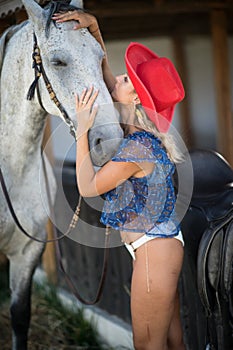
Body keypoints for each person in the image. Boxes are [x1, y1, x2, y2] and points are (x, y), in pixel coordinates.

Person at [53, 10, 186, 350]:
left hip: (154, 249)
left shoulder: (139, 147)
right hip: (158, 246)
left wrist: (82, 131)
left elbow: (87, 187)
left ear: (137, 97)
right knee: (171, 342)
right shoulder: (140, 135)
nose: (118, 80)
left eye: (127, 80)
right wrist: (94, 26)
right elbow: (103, 73)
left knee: (147, 344)